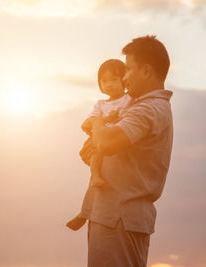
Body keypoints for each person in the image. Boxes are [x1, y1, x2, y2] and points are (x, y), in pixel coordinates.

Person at [79, 35, 174, 267]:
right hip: (116, 218)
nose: (124, 76)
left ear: (146, 71)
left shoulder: (147, 109)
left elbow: (108, 143)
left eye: (128, 69)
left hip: (117, 218)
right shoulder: (145, 108)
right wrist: (94, 149)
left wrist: (97, 119)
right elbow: (107, 145)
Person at [66, 59, 132, 231]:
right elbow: (87, 123)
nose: (109, 84)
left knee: (102, 183)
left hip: (115, 140)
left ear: (124, 80)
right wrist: (106, 119)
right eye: (104, 81)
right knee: (96, 166)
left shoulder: (129, 99)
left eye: (114, 79)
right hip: (100, 140)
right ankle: (93, 179)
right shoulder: (101, 104)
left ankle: (84, 213)